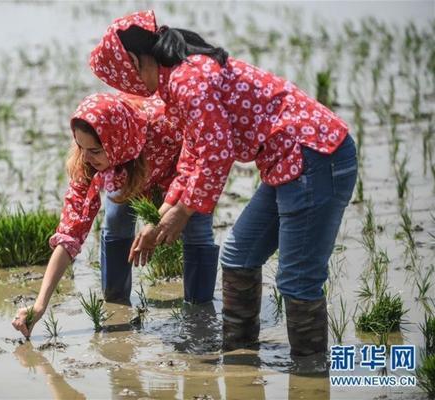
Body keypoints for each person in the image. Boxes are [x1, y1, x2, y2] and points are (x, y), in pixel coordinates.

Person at [88, 10, 357, 357]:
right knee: (238, 256)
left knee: (297, 280)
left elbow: (217, 152)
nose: (135, 87)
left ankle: (309, 375)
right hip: (287, 163)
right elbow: (193, 154)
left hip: (316, 157)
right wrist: (162, 215)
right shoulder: (178, 81)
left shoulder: (189, 79)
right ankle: (239, 357)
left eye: (130, 76)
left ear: (139, 61)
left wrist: (182, 213)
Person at [12, 92, 219, 339]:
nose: (86, 157)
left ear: (116, 141)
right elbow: (70, 233)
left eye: (95, 150)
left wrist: (168, 214)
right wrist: (40, 304)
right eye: (81, 146)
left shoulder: (166, 125)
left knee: (197, 229)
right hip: (125, 169)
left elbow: (203, 163)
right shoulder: (88, 161)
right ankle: (116, 303)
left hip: (179, 170)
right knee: (116, 219)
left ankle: (200, 316)